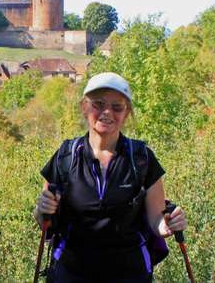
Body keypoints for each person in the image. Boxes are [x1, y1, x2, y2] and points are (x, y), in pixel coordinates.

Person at [33, 72, 187, 282]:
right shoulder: (65, 156)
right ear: (84, 107)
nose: (107, 112)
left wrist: (168, 223)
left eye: (117, 107)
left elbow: (156, 220)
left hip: (129, 274)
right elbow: (45, 221)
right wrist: (41, 210)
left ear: (127, 113)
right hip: (72, 273)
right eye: (98, 104)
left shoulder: (142, 159)